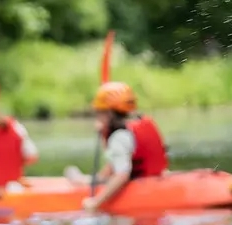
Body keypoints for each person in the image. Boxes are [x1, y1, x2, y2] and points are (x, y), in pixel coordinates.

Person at [64, 82, 168, 211]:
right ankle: (86, 180)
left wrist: (95, 203)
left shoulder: (119, 136)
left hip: (141, 186)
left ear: (108, 113)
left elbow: (121, 175)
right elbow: (115, 164)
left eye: (99, 112)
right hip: (154, 177)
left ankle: (87, 182)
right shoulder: (139, 124)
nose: (97, 116)